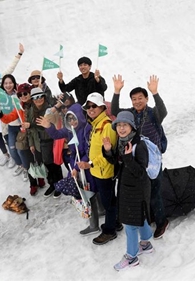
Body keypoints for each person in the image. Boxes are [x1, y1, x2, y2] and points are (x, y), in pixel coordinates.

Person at [111, 74, 169, 239]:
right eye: (134, 99)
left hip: (153, 160)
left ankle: (161, 221)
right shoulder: (129, 113)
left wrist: (155, 92)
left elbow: (163, 112)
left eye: (140, 98)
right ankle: (150, 216)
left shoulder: (153, 114)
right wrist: (116, 91)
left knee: (155, 191)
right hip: (136, 159)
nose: (137, 101)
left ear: (146, 99)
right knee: (144, 191)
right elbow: (115, 111)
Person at [37, 103, 101, 235]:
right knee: (89, 193)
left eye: (74, 118)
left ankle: (94, 225)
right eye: (69, 119)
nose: (72, 122)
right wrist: (49, 126)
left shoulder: (87, 130)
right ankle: (99, 213)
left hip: (86, 167)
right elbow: (57, 134)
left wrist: (77, 167)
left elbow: (88, 152)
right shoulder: (69, 130)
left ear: (80, 117)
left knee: (89, 194)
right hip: (77, 166)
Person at [102, 111, 154, 271]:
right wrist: (109, 150)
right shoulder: (122, 141)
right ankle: (145, 243)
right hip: (126, 187)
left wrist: (128, 157)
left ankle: (131, 257)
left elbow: (140, 171)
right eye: (118, 125)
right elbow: (118, 164)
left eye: (124, 125)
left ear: (132, 126)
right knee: (139, 217)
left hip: (137, 190)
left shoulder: (140, 145)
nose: (121, 128)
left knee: (130, 223)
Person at [76, 92, 119, 245]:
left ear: (102, 107)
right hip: (98, 171)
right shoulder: (96, 124)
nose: (91, 109)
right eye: (88, 106)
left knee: (108, 203)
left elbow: (108, 153)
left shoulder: (106, 126)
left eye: (94, 106)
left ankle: (109, 231)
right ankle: (115, 222)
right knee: (109, 200)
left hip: (104, 171)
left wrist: (91, 164)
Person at [0, 83, 44, 194]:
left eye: (25, 93)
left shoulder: (36, 104)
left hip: (36, 134)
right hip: (25, 135)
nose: (23, 96)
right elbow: (11, 117)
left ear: (30, 93)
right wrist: (1, 116)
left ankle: (41, 176)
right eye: (20, 94)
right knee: (26, 158)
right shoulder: (19, 105)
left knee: (38, 157)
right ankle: (32, 182)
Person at [25, 87, 63, 198]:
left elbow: (45, 126)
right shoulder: (30, 110)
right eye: (35, 97)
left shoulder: (49, 109)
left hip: (50, 139)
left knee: (54, 163)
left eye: (40, 96)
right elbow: (29, 129)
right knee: (46, 164)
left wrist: (31, 125)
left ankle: (59, 184)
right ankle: (52, 184)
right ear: (32, 99)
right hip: (38, 142)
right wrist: (31, 143)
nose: (38, 99)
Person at [0, 74, 27, 178]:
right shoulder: (1, 97)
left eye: (10, 82)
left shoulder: (19, 94)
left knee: (21, 149)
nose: (8, 85)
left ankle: (26, 169)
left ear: (14, 83)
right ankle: (21, 165)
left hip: (21, 126)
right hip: (10, 126)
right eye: (6, 83)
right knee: (12, 149)